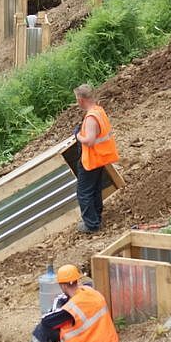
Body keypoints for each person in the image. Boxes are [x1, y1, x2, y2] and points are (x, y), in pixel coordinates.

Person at [19, 264, 119, 342]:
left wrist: (59, 304)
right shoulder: (89, 291)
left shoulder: (71, 308)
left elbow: (46, 321)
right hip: (106, 341)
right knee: (58, 324)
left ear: (63, 285)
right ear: (77, 280)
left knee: (43, 328)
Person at [73, 84, 120, 233]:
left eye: (76, 99)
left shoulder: (91, 117)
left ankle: (91, 225)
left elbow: (90, 141)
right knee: (95, 189)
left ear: (81, 100)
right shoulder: (99, 111)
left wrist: (78, 135)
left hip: (91, 160)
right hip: (100, 157)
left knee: (84, 192)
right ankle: (96, 218)